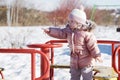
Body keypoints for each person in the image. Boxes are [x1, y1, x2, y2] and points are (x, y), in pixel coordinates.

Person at [44, 5, 102, 80]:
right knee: (74, 77)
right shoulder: (68, 31)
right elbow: (60, 32)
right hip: (74, 62)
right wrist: (50, 30)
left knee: (87, 77)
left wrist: (97, 55)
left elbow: (93, 46)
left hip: (87, 63)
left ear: (79, 23)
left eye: (72, 21)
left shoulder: (86, 34)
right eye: (69, 21)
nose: (69, 23)